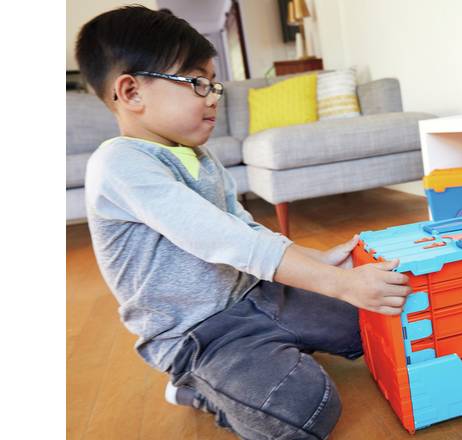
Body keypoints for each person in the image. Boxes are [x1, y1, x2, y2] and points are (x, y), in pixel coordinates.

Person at [76, 6, 411, 439]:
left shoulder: (200, 156)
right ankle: (197, 386)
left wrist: (320, 261)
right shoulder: (120, 163)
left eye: (214, 83)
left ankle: (279, 347)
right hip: (201, 333)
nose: (213, 96)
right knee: (305, 409)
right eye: (197, 82)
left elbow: (245, 227)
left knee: (369, 321)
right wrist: (338, 283)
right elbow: (220, 238)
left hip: (256, 292)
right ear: (131, 92)